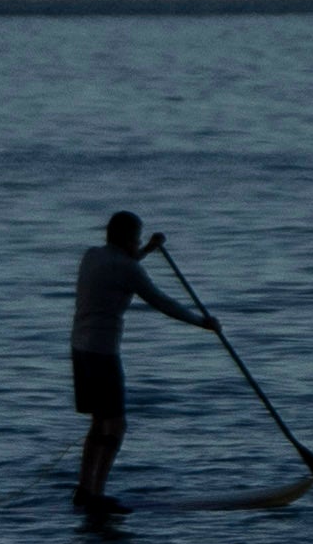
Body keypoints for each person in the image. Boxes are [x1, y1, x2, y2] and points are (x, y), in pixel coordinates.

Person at [71, 208, 217, 511]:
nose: (138, 243)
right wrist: (202, 322)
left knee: (99, 423)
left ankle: (85, 489)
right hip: (103, 354)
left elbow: (122, 266)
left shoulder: (92, 256)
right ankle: (96, 493)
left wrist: (148, 250)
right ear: (126, 238)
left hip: (80, 350)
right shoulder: (127, 269)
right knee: (116, 425)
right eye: (136, 238)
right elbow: (161, 301)